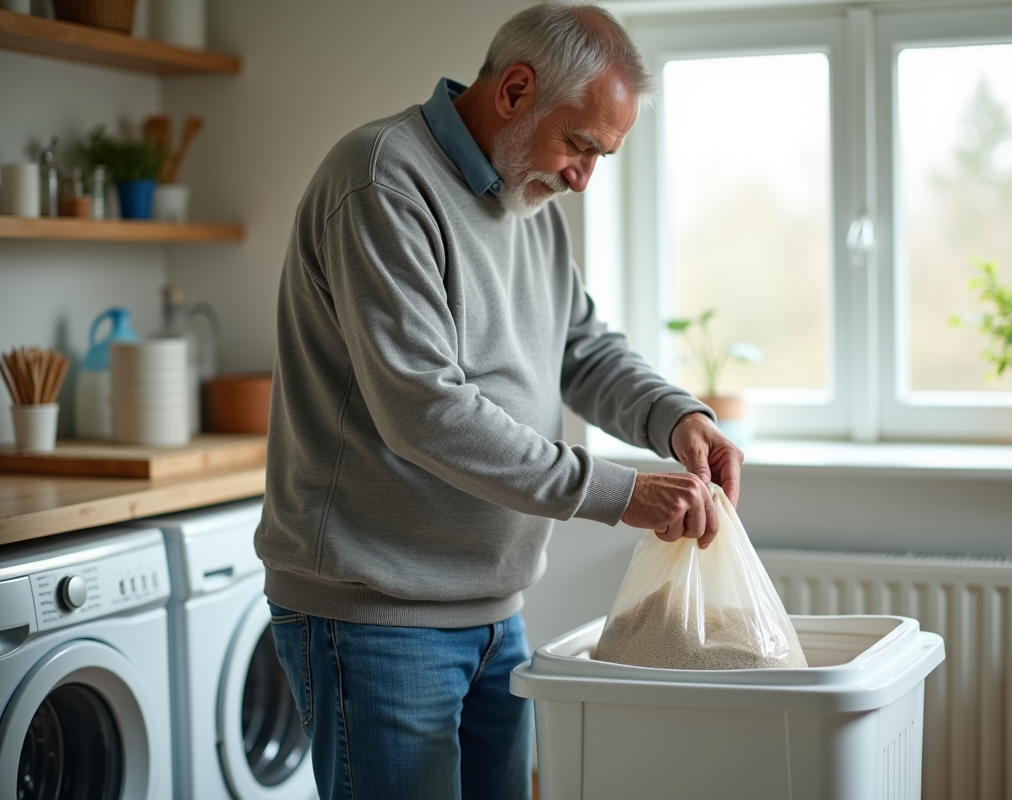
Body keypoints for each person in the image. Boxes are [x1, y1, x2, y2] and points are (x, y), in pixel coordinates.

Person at [255, 3, 743, 799]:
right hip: (375, 617)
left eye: (602, 156)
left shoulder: (530, 201)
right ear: (515, 89)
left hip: (492, 611)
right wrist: (619, 493)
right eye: (580, 144)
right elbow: (426, 410)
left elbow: (581, 348)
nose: (584, 177)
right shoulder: (382, 181)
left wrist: (677, 416)